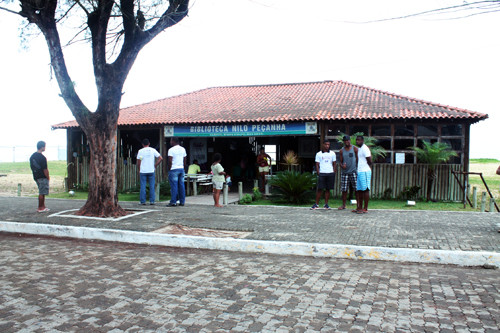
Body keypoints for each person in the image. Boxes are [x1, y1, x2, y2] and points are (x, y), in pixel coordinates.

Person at [311, 141, 336, 210]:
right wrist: (318, 172)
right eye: (326, 144)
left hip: (330, 173)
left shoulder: (332, 153)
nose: (327, 146)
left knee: (328, 189)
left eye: (328, 144)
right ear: (323, 145)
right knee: (320, 189)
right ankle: (316, 204)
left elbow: (334, 163)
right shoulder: (318, 154)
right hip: (322, 173)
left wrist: (333, 171)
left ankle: (326, 204)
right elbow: (317, 164)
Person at [137, 138, 163, 205]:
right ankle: (152, 201)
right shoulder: (153, 150)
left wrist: (139, 169)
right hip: (151, 170)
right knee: (152, 186)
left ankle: (143, 201)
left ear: (142, 144)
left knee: (143, 186)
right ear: (149, 144)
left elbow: (139, 161)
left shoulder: (141, 151)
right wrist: (155, 165)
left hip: (143, 171)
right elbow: (160, 158)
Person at [338, 135, 358, 210]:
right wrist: (342, 166)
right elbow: (340, 162)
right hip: (344, 172)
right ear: (344, 142)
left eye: (348, 140)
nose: (347, 142)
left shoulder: (355, 148)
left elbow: (358, 159)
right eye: (345, 141)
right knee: (344, 189)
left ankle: (358, 205)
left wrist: (357, 168)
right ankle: (343, 205)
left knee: (356, 189)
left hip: (353, 172)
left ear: (350, 140)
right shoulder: (341, 150)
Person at [29, 141, 50, 213]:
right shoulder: (42, 158)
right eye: (44, 146)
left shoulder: (32, 156)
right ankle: (40, 207)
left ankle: (43, 206)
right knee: (42, 192)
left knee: (42, 191)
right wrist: (47, 177)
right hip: (42, 176)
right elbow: (45, 169)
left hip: (36, 176)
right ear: (42, 147)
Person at [354, 135, 372, 214]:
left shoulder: (365, 149)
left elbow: (369, 160)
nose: (357, 141)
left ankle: (365, 208)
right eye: (356, 140)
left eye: (359, 140)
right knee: (359, 190)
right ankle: (359, 207)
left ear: (362, 141)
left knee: (365, 189)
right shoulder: (359, 149)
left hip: (365, 171)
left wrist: (366, 167)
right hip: (360, 171)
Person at [167, 137, 187, 207]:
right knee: (181, 186)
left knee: (174, 186)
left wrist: (169, 169)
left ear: (173, 141)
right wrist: (184, 168)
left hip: (174, 169)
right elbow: (184, 160)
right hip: (181, 168)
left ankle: (173, 201)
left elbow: (170, 161)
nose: (170, 142)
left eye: (170, 141)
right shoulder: (183, 149)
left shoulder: (171, 150)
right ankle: (182, 201)